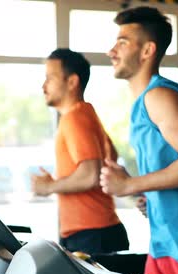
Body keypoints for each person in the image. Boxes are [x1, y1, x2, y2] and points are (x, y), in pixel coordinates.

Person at [100, 6, 178, 274]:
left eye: (122, 42)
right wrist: (151, 194)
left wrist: (130, 184)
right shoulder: (147, 100)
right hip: (162, 246)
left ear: (147, 51)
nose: (111, 51)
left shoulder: (159, 96)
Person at [32, 48, 129, 255]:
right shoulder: (87, 113)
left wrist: (50, 186)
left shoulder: (75, 118)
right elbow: (109, 157)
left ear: (72, 82)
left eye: (50, 78)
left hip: (91, 234)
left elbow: (90, 175)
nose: (43, 86)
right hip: (95, 232)